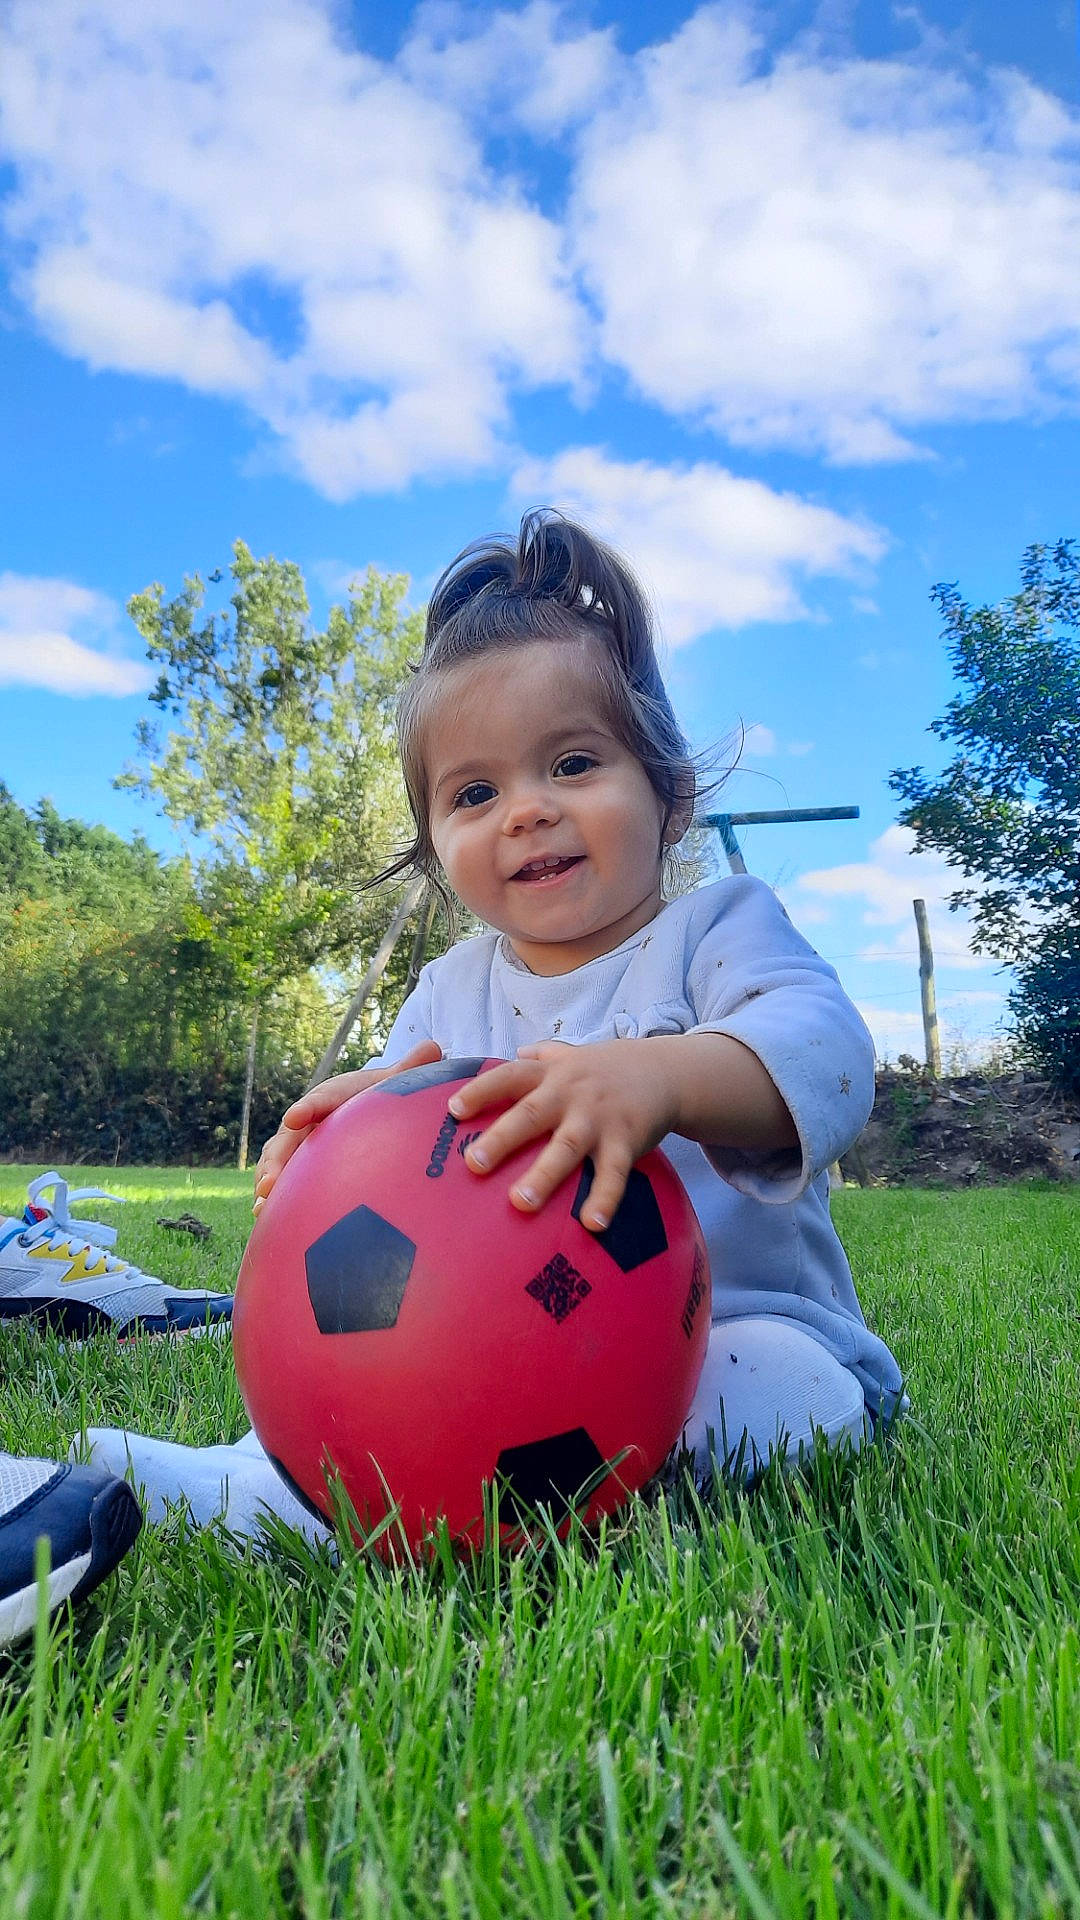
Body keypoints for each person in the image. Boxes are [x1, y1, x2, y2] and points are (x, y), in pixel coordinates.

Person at [79, 511, 903, 1539]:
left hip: (735, 1331)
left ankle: (635, 1503)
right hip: (504, 1358)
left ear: (670, 792)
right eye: (475, 791)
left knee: (783, 1391)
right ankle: (262, 1489)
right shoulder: (447, 996)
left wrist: (659, 1079)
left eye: (571, 765)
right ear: (434, 842)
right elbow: (401, 1158)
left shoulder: (716, 930)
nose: (525, 810)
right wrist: (343, 1135)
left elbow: (827, 1052)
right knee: (352, 1382)